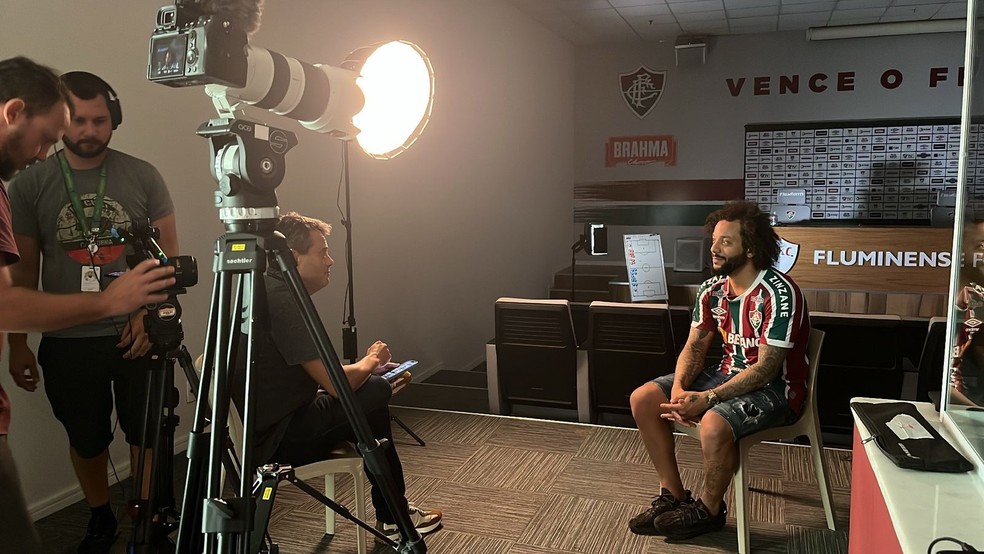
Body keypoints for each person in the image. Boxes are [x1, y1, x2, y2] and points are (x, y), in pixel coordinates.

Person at [0, 56, 175, 554]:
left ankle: (146, 514)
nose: (86, 131)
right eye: (70, 124)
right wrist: (19, 345)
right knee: (87, 437)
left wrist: (142, 311)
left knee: (148, 430)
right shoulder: (28, 184)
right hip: (68, 342)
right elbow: (17, 279)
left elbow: (165, 259)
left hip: (137, 337)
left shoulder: (142, 176)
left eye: (100, 120)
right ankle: (101, 516)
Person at [230, 211, 442, 543]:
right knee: (374, 393)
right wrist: (371, 363)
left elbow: (313, 374)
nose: (330, 261)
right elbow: (333, 383)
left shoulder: (267, 289)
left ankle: (392, 513)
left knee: (372, 393)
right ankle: (393, 516)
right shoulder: (284, 301)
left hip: (271, 426)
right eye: (322, 252)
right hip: (280, 440)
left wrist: (366, 369)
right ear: (294, 256)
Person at [627, 200, 810, 540]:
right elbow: (695, 346)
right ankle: (673, 495)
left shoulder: (781, 293)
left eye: (725, 241)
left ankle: (709, 509)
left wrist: (708, 398)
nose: (714, 248)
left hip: (776, 391)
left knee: (712, 422)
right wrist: (681, 387)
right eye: (714, 240)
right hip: (725, 374)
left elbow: (767, 369)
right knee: (644, 399)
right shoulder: (712, 289)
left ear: (751, 248)